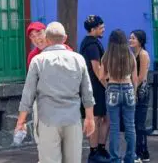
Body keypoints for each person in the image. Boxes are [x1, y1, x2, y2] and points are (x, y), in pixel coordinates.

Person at [16, 22, 97, 163]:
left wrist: (21, 120)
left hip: (47, 119)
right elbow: (87, 92)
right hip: (72, 118)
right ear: (64, 38)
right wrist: (90, 118)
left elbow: (28, 94)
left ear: (47, 39)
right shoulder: (78, 59)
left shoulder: (37, 60)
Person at [102, 30, 138, 163]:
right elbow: (135, 78)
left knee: (114, 127)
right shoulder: (130, 55)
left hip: (113, 88)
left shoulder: (107, 56)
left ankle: (115, 159)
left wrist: (108, 85)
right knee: (130, 126)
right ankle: (130, 157)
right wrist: (133, 93)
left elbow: (101, 76)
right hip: (128, 88)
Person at [80, 15, 110, 162]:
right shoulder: (92, 45)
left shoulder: (92, 42)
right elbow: (97, 70)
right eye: (100, 27)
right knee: (96, 118)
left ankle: (101, 148)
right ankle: (94, 152)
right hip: (95, 87)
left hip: (96, 87)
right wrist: (108, 86)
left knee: (105, 118)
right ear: (93, 29)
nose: (103, 29)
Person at [129, 30, 151, 162]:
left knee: (140, 123)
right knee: (135, 122)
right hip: (134, 89)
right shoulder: (133, 54)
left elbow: (141, 76)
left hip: (141, 91)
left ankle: (143, 151)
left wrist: (134, 89)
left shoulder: (143, 54)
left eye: (133, 38)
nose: (130, 40)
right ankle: (138, 150)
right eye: (130, 38)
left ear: (140, 41)